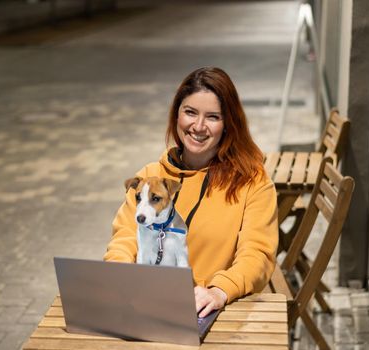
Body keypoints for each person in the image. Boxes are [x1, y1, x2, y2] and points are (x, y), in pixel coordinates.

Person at [104, 67, 278, 318]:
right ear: (177, 115)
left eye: (213, 117)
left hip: (209, 309)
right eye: (190, 112)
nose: (198, 126)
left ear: (229, 123)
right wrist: (121, 275)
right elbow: (125, 238)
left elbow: (257, 253)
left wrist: (220, 290)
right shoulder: (150, 177)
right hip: (147, 303)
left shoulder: (252, 183)